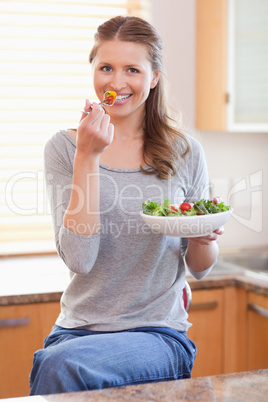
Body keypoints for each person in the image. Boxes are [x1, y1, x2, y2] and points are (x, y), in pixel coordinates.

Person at [29, 15, 224, 395]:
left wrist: (204, 239)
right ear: (93, 71)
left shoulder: (185, 152)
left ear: (153, 77)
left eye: (132, 69)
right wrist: (87, 156)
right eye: (106, 68)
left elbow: (200, 268)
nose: (116, 83)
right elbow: (80, 260)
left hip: (157, 334)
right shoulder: (66, 148)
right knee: (58, 363)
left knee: (56, 367)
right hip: (76, 331)